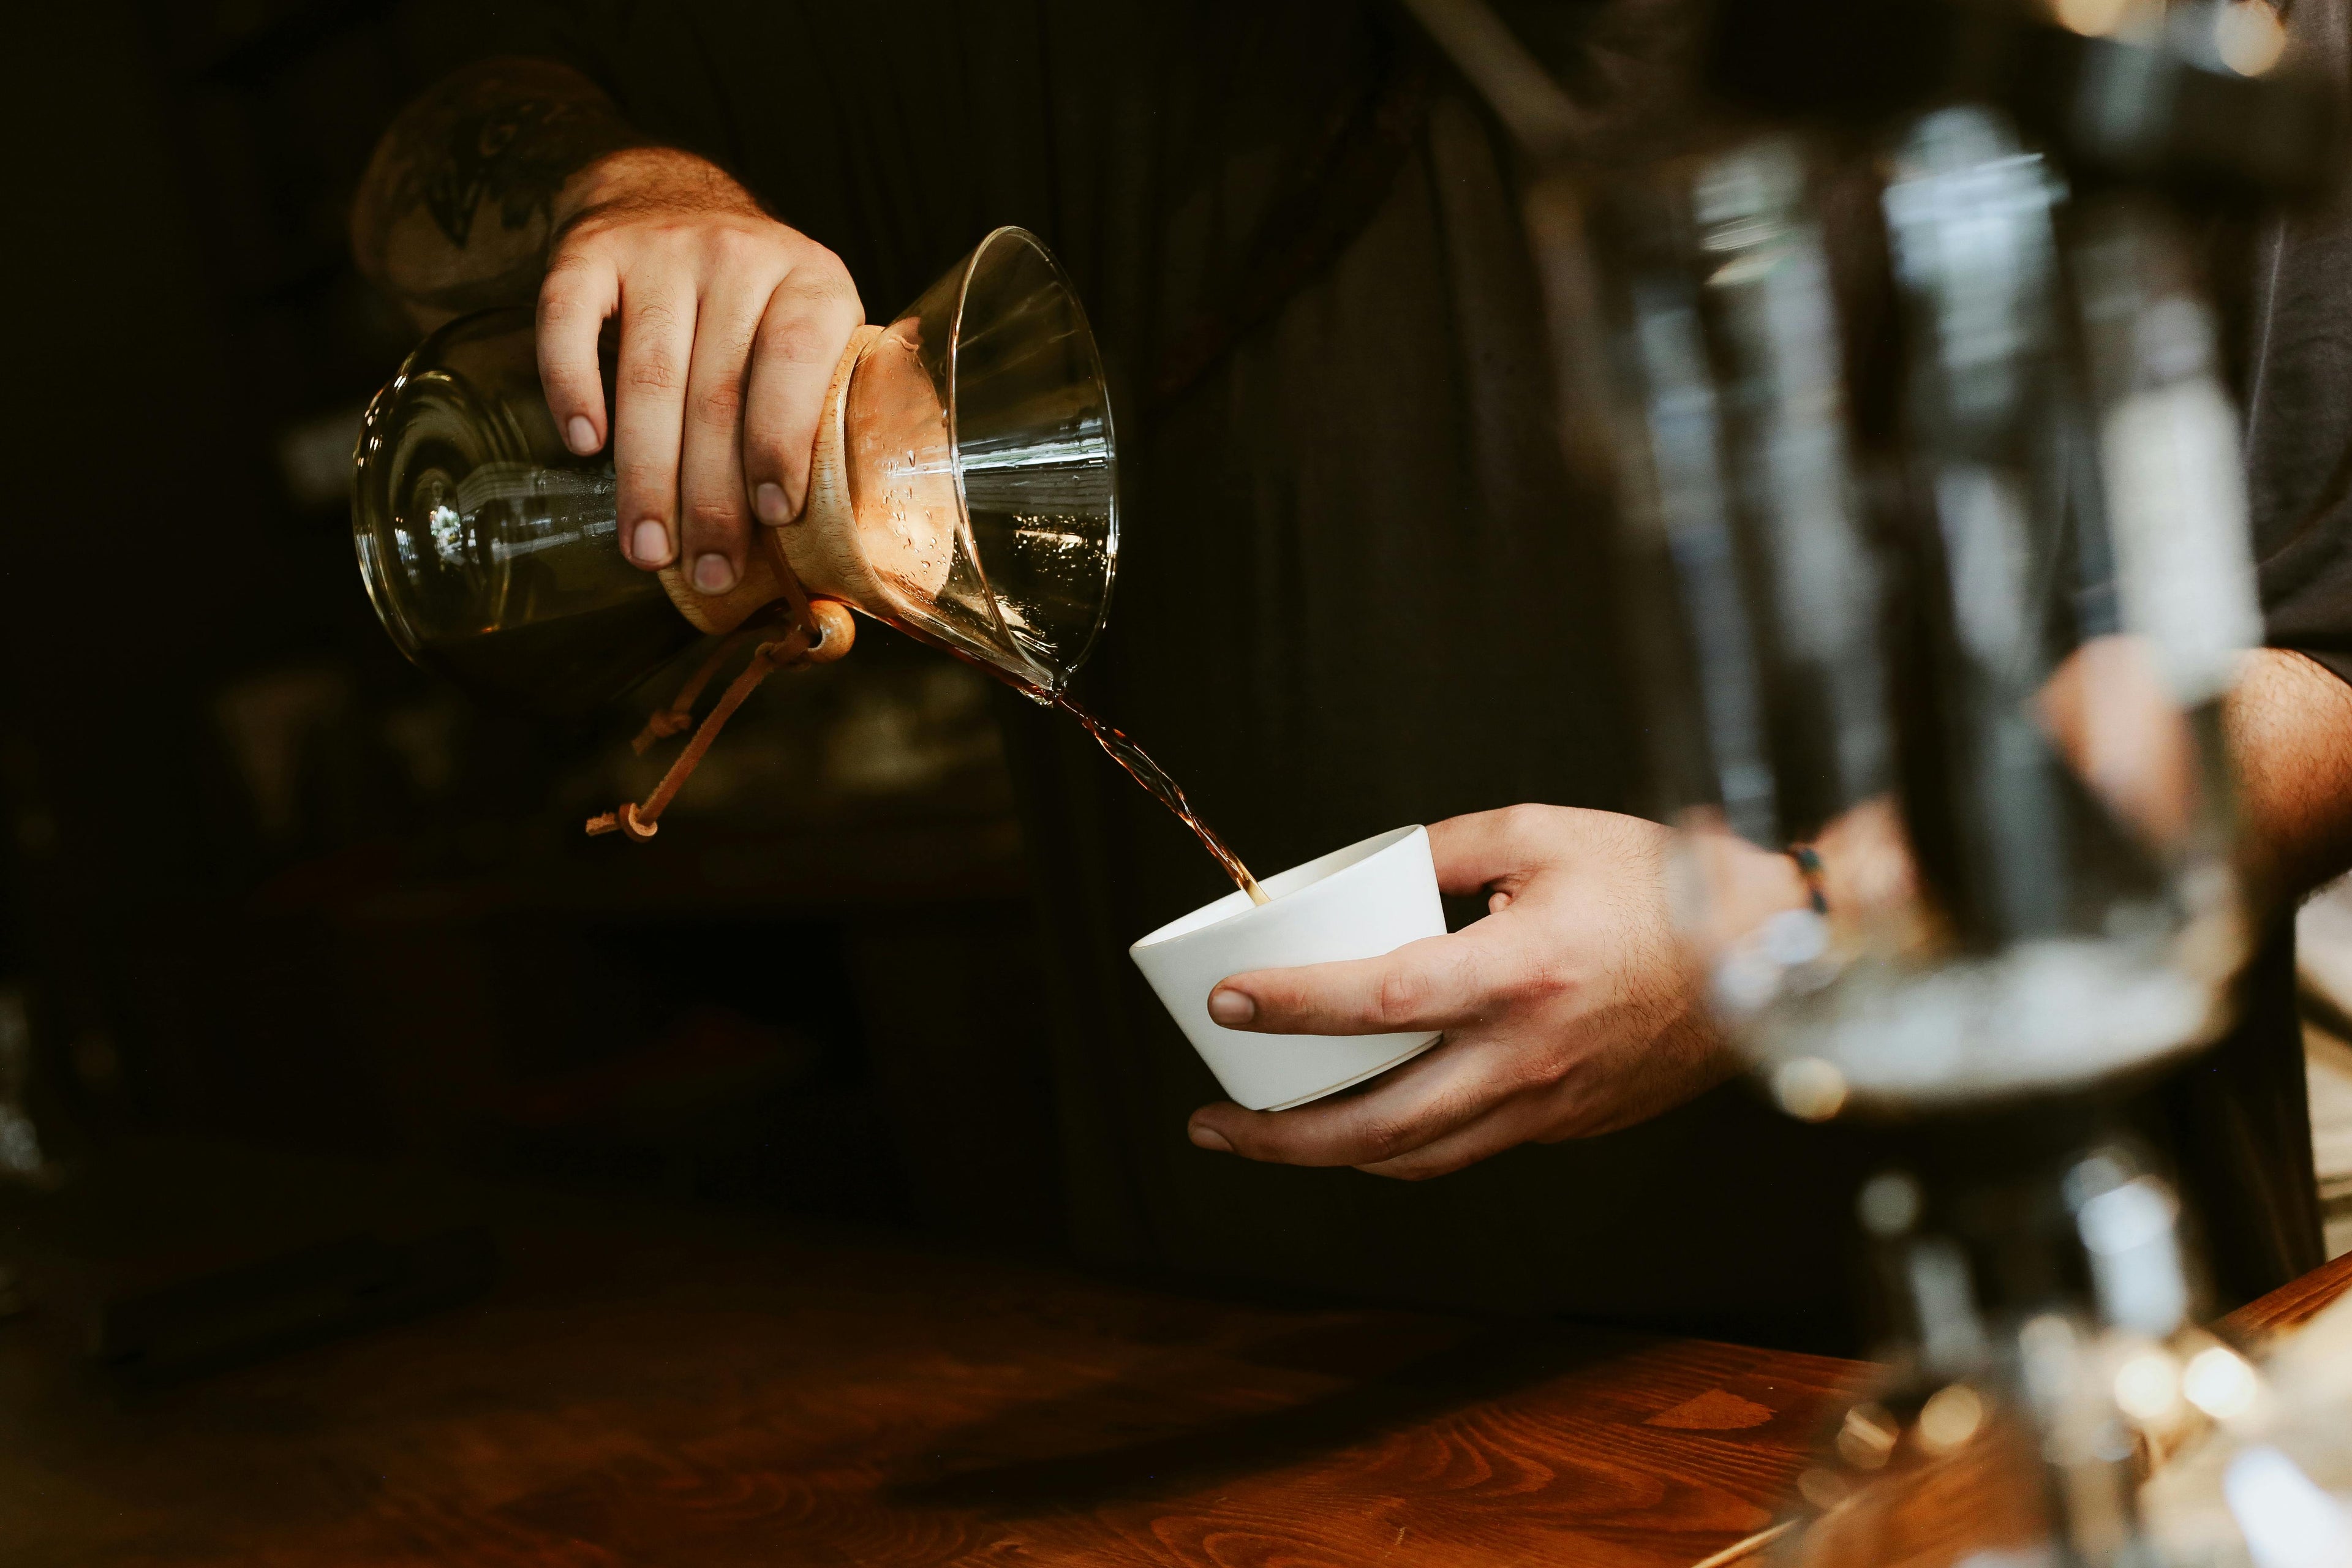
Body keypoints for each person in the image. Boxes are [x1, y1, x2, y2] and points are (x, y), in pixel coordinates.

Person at [355, 0, 2351, 1347]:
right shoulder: (1099, 53)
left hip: (2022, 1380)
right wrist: (656, 200)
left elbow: (2308, 676)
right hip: (1254, 1405)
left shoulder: (2174, 36)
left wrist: (1789, 943)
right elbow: (451, 138)